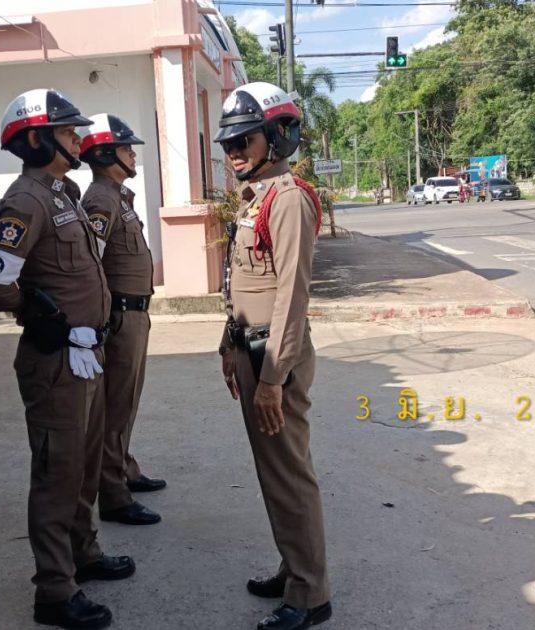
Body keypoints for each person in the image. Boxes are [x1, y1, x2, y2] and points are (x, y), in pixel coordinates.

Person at [0, 88, 133, 630]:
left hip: (86, 356)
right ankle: (54, 591)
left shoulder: (63, 193)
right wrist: (34, 312)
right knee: (56, 475)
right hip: (55, 361)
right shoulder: (26, 200)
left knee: (84, 466)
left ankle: (83, 553)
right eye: (67, 133)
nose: (78, 140)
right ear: (38, 140)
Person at [214, 82, 332, 630]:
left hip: (273, 356)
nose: (235, 152)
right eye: (228, 143)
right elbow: (241, 279)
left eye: (245, 140)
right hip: (251, 347)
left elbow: (291, 293)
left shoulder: (286, 200)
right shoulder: (256, 198)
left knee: (289, 475)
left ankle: (310, 594)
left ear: (277, 137)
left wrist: (270, 379)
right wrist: (227, 341)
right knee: (274, 473)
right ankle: (293, 569)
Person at [77, 113, 165, 527]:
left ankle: (124, 469)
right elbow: (89, 264)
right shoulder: (100, 200)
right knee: (114, 407)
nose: (133, 155)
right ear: (105, 155)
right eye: (127, 149)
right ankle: (113, 496)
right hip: (120, 317)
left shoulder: (118, 196)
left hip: (135, 314)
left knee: (126, 402)